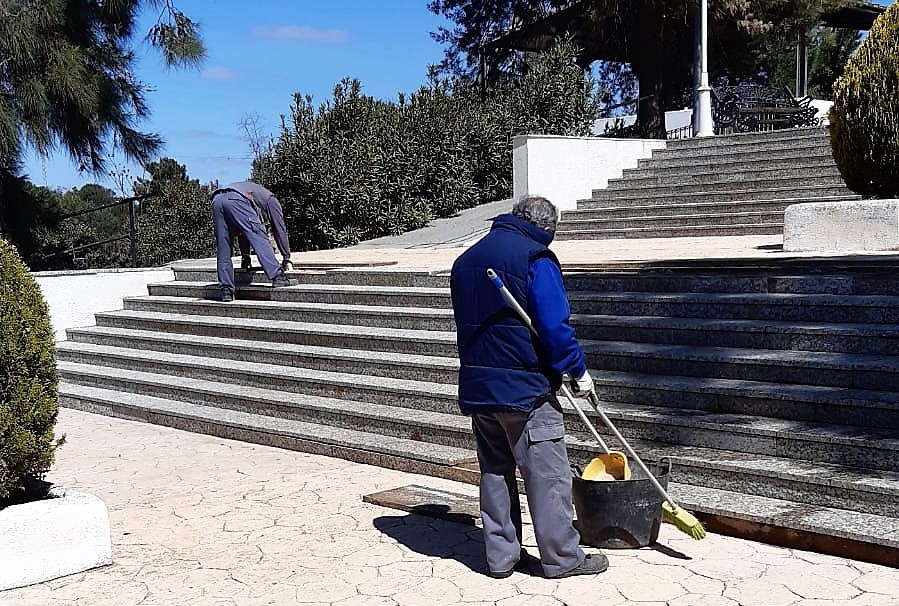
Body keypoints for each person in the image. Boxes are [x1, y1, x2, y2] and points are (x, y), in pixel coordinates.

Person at [449, 195, 607, 579]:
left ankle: (501, 557)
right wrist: (577, 369)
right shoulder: (535, 258)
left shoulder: (465, 260)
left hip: (480, 388)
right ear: (547, 228)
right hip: (527, 391)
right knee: (547, 475)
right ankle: (562, 558)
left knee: (495, 472)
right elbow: (554, 327)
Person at [209, 181, 293, 301]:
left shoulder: (252, 194)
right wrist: (286, 256)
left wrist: (246, 257)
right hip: (236, 198)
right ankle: (277, 276)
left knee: (223, 246)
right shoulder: (271, 200)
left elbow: (243, 231)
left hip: (216, 200)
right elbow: (279, 228)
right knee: (258, 235)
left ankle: (226, 290)